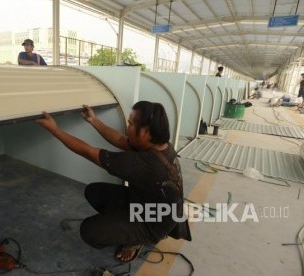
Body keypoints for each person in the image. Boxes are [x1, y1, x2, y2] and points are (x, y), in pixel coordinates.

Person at [36, 101, 191, 262]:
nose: (127, 126)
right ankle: (122, 224)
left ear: (145, 132)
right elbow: (120, 140)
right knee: (94, 192)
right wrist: (93, 120)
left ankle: (136, 239)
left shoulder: (143, 163)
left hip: (153, 224)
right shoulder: (160, 146)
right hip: (152, 207)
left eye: (131, 123)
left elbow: (88, 152)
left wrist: (54, 129)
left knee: (89, 231)